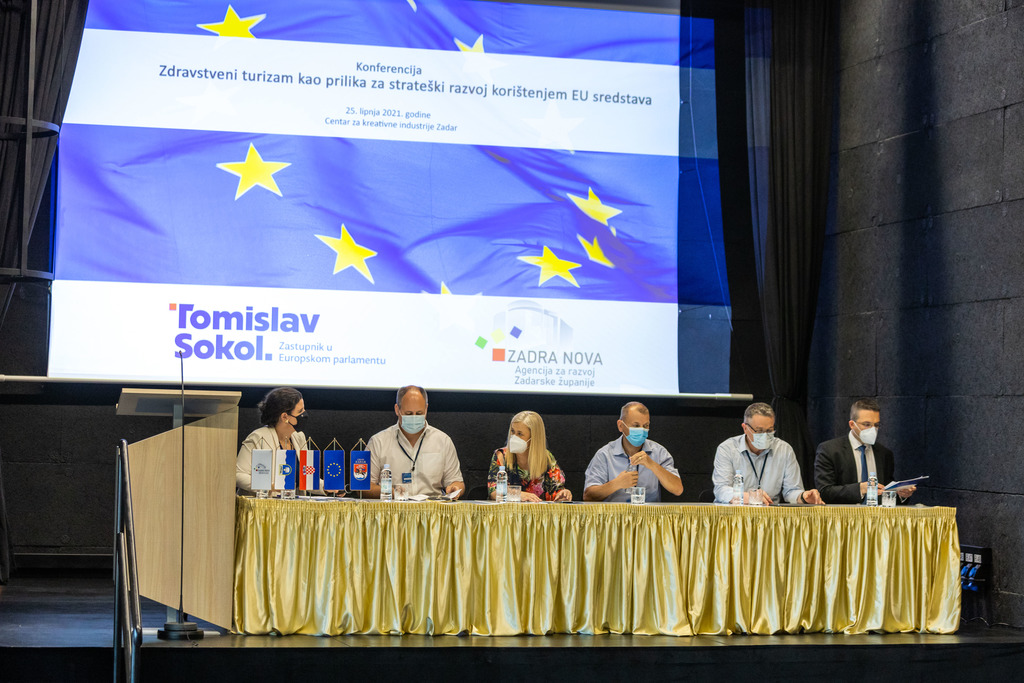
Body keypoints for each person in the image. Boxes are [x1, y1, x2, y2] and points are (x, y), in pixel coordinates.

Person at [712, 402, 823, 505]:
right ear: (745, 428)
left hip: (769, 513)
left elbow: (792, 491)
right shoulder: (727, 449)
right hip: (734, 513)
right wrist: (746, 497)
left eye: (769, 431)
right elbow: (721, 490)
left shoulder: (784, 449)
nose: (765, 436)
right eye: (759, 431)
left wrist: (803, 497)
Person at [367, 385, 465, 499]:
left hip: (431, 507)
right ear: (397, 410)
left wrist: (455, 488)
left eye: (419, 413)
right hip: (393, 506)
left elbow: (457, 482)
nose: (414, 418)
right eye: (408, 413)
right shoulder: (378, 442)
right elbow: (365, 487)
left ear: (426, 409)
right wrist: (392, 493)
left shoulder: (443, 441)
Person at [814, 398, 916, 504]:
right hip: (844, 514)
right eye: (867, 424)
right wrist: (860, 489)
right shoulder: (830, 450)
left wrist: (901, 495)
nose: (873, 430)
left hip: (876, 513)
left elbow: (885, 493)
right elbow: (824, 492)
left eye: (876, 425)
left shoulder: (884, 454)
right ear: (852, 425)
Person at [583, 401, 683, 502]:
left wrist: (652, 465)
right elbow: (588, 497)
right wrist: (616, 484)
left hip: (648, 512)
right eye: (636, 426)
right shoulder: (604, 454)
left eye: (646, 425)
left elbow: (678, 489)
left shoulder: (659, 452)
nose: (642, 430)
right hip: (615, 512)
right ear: (620, 426)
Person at [235, 387, 308, 493]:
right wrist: (269, 487)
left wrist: (326, 487)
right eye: (300, 411)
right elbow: (238, 475)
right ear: (284, 417)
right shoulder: (258, 437)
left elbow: (307, 478)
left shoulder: (299, 437)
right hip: (261, 502)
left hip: (293, 502)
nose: (304, 414)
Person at [487, 410, 571, 502]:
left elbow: (556, 491)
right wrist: (519, 495)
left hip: (537, 510)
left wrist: (563, 494)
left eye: (520, 434)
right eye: (512, 431)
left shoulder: (546, 458)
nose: (514, 437)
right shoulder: (501, 455)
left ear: (533, 438)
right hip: (508, 510)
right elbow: (493, 492)